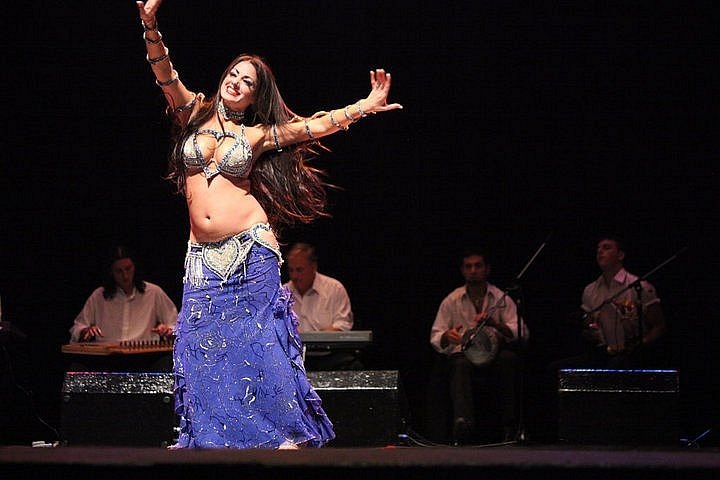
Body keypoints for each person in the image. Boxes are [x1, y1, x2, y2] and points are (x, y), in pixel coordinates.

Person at [135, 0, 401, 449]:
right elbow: (164, 72)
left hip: (251, 249)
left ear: (256, 96)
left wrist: (364, 106)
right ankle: (214, 439)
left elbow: (310, 128)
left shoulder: (256, 135)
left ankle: (284, 435)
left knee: (261, 344)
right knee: (200, 344)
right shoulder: (192, 112)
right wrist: (149, 24)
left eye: (248, 82)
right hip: (201, 257)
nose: (236, 83)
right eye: (234, 75)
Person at [429, 249, 528, 445]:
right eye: (468, 266)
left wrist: (497, 324)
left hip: (493, 355)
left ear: (487, 269)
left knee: (509, 359)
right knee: (459, 364)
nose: (473, 270)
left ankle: (509, 426)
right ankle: (463, 426)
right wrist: (447, 336)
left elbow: (522, 332)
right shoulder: (452, 300)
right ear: (462, 270)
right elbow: (436, 335)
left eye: (478, 266)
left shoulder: (500, 298)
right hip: (464, 355)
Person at [67, 245, 178, 372]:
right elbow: (77, 327)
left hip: (144, 359)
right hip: (107, 360)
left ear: (134, 267)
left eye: (128, 269)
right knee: (77, 367)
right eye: (119, 271)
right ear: (111, 272)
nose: (125, 275)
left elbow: (176, 325)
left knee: (165, 363)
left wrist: (168, 330)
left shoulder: (153, 292)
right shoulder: (99, 296)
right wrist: (85, 331)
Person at [284, 243, 362, 371]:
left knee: (352, 365)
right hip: (295, 358)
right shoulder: (284, 293)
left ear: (313, 267)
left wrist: (316, 339)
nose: (294, 276)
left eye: (299, 270)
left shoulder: (334, 289)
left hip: (330, 356)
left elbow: (342, 325)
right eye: (291, 270)